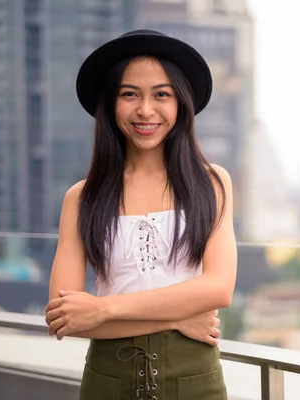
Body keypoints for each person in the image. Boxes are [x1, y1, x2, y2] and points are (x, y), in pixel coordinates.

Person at [44, 29, 237, 400]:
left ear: (181, 103)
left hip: (196, 382)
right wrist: (177, 318)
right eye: (129, 94)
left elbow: (218, 289)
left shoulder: (211, 183)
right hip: (106, 383)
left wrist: (103, 309)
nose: (145, 110)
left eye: (161, 95)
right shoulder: (82, 198)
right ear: (110, 104)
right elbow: (64, 317)